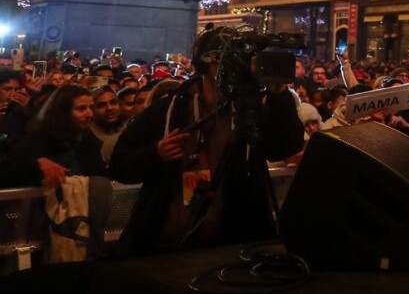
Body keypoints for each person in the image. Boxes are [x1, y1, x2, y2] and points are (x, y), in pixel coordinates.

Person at [108, 27, 304, 254]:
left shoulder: (250, 110)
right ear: (205, 63)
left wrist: (278, 95)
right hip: (168, 248)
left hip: (234, 247)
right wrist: (155, 154)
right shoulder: (169, 110)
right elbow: (119, 165)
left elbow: (284, 148)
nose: (235, 67)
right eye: (226, 60)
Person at [0, 84, 105, 188]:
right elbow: (8, 173)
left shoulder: (86, 140)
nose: (89, 114)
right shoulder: (36, 140)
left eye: (91, 107)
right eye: (81, 109)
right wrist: (36, 164)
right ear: (63, 112)